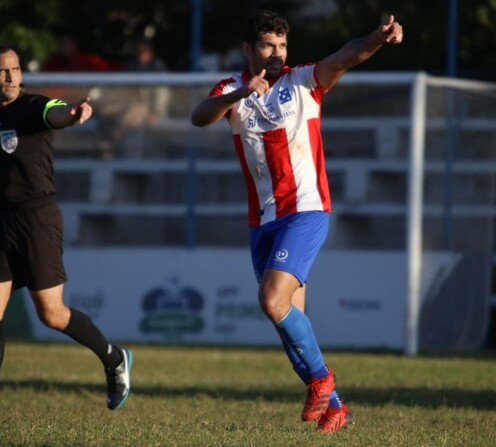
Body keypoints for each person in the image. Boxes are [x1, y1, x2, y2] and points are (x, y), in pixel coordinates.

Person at [191, 10, 402, 434]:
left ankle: (323, 381)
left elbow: (345, 56)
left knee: (272, 300)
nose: (276, 54)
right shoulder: (232, 89)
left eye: (282, 46)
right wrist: (239, 96)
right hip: (262, 220)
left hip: (305, 209)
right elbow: (199, 116)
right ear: (248, 50)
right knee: (285, 319)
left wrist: (376, 39)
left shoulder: (302, 80)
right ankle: (336, 408)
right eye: (268, 46)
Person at [0, 45, 133, 416]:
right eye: (1, 70)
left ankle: (114, 357)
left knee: (52, 314)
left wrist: (72, 115)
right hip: (0, 219)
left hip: (36, 218)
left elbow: (54, 114)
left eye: (15, 69)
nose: (11, 76)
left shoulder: (34, 107)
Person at [42, 35, 121, 72]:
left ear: (75, 44)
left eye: (66, 44)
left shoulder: (88, 60)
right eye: (61, 44)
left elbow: (107, 71)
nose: (63, 47)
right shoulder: (52, 61)